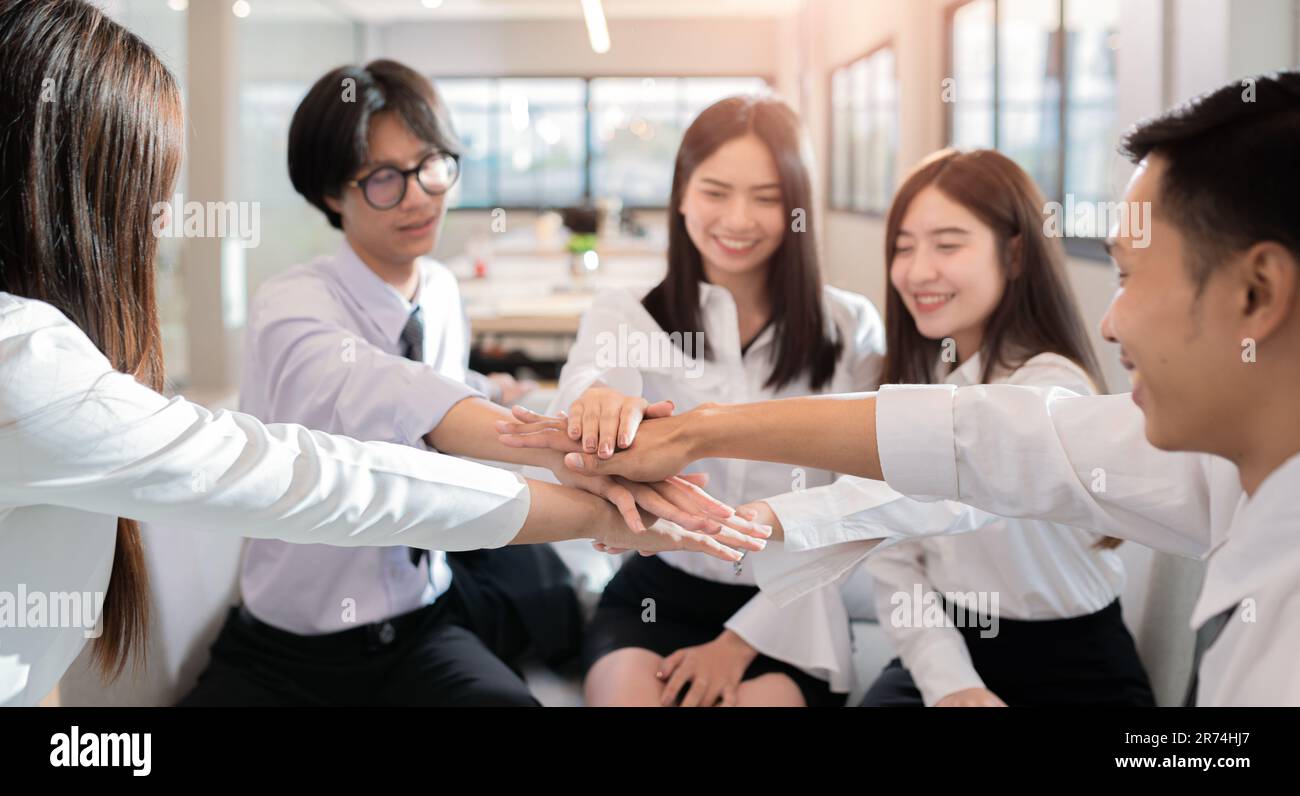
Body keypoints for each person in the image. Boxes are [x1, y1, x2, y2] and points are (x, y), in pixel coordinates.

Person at [0, 0, 766, 709]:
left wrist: (541, 411)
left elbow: (445, 388)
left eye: (433, 167)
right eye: (385, 179)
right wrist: (589, 491)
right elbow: (375, 427)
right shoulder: (287, 304)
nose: (420, 195)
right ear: (331, 193)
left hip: (420, 616)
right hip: (289, 645)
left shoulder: (438, 286)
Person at [498, 71, 1300, 706]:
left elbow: (959, 461)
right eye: (905, 245)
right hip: (825, 610)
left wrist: (717, 455)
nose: (1113, 321)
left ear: (1258, 294)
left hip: (1001, 644)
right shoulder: (1170, 446)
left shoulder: (1016, 378)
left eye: (1128, 278)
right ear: (679, 195)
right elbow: (952, 460)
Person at [546, 96, 882, 707]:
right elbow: (590, 379)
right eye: (716, 192)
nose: (738, 218)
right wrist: (595, 401)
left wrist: (736, 644)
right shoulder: (629, 312)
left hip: (792, 601)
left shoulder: (849, 326)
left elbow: (867, 498)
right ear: (681, 195)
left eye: (767, 197)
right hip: (662, 586)